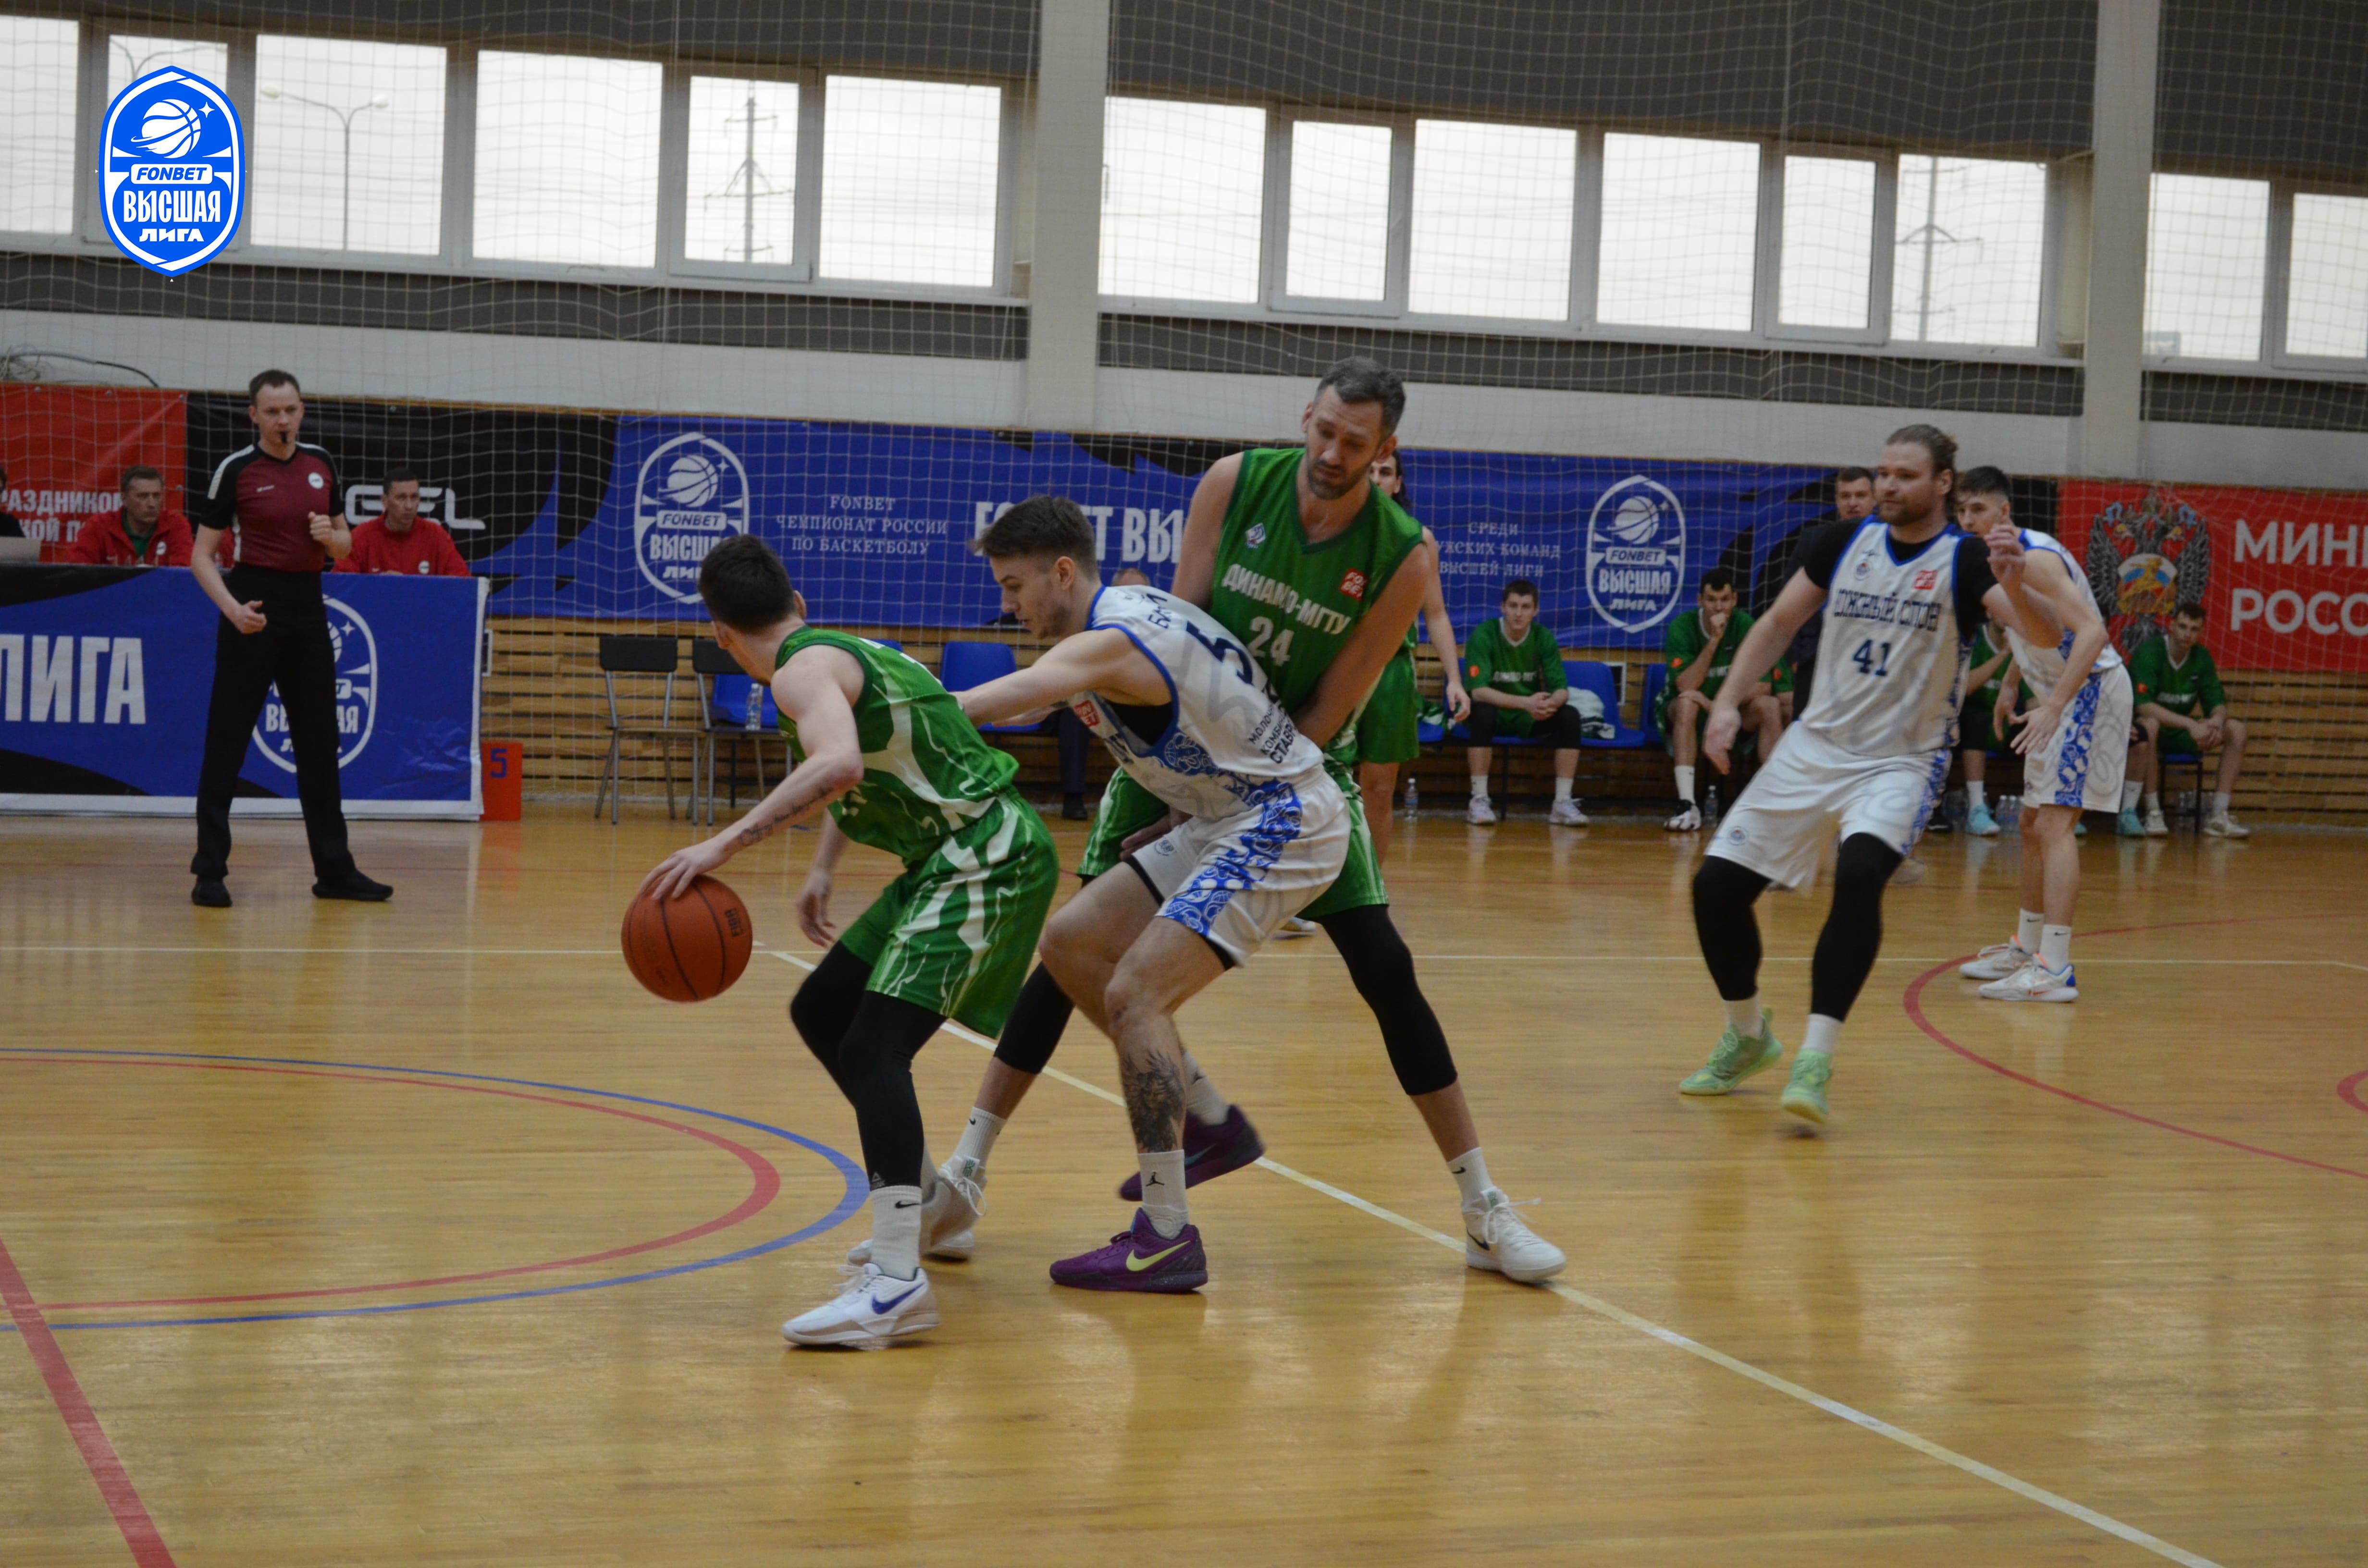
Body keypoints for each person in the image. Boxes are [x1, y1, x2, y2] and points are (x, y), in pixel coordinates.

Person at [922, 358, 1564, 1286]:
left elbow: (1327, 705)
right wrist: (1188, 796)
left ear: (1384, 450)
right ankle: (1027, 1160)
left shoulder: (1401, 553)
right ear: (1305, 417)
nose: (1333, 452)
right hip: (1201, 766)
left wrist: (1234, 777)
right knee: (1070, 949)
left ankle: (1479, 1206)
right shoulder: (1232, 484)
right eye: (1325, 431)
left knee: (1370, 977)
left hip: (1284, 784)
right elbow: (1184, 626)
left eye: (1356, 443)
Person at [643, 535, 1058, 1347]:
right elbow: (863, 760)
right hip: (948, 854)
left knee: (873, 1047)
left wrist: (720, 844)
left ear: (721, 636)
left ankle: (898, 1281)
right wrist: (824, 869)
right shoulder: (846, 649)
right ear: (797, 603)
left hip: (985, 854)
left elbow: (836, 763)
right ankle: (933, 1208)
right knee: (824, 1008)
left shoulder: (797, 674)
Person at [952, 496, 1349, 1290]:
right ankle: (1210, 1122)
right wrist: (1186, 803)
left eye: (1014, 585)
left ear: (1063, 573)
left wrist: (889, 708)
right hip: (1225, 812)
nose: (1007, 604)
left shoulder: (1110, 638)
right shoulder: (1126, 615)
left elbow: (1016, 694)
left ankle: (1166, 1233)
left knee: (1136, 994)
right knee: (1069, 943)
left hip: (1282, 819)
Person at [1678, 427, 2051, 1123]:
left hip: (1901, 759)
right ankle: (1748, 1034)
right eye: (1883, 473)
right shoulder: (1840, 542)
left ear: (1942, 483)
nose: (1887, 486)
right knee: (1715, 889)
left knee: (1856, 876)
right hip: (1816, 744)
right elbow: (1778, 624)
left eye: (1904, 475)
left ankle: (1815, 1060)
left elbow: (2043, 634)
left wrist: (2015, 585)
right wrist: (1726, 704)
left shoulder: (1966, 559)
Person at [188, 369, 389, 909]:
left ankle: (335, 871)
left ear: (302, 411)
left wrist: (333, 538)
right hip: (253, 605)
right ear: (254, 415)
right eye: (273, 411)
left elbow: (345, 545)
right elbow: (200, 556)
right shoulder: (236, 469)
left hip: (308, 608)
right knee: (227, 740)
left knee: (320, 744)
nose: (284, 419)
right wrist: (233, 610)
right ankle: (210, 872)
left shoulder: (322, 463)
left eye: (292, 409)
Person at [1953, 467, 2133, 1003]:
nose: (1968, 520)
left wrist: (2054, 706)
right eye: (1961, 511)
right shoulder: (1999, 562)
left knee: (2054, 825)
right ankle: (2026, 947)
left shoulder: (2036, 559)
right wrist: (2012, 682)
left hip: (2088, 690)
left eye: (1978, 510)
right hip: (2056, 694)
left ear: (2003, 513)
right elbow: (2034, 629)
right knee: (2031, 824)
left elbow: (2092, 633)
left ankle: (2054, 967)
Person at [1356, 451, 1468, 860]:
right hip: (1335, 666)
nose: (1377, 478)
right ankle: (1312, 883)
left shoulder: (1419, 538)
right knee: (1318, 786)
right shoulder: (1333, 527)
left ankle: (1370, 886)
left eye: (1386, 472)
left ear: (1398, 483)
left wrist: (1455, 680)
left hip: (1390, 673)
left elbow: (1435, 614)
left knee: (1379, 788)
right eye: (1370, 470)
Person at [1660, 566, 1782, 832]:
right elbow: (1686, 686)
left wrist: (1718, 705)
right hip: (1692, 713)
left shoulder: (1745, 625)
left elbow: (1763, 686)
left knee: (1770, 706)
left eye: (1725, 600)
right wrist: (1715, 640)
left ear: (1734, 600)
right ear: (1700, 601)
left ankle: (1772, 804)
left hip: (1729, 711)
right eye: (1712, 600)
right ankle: (1687, 804)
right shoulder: (1682, 626)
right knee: (1687, 703)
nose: (1718, 608)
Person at [1462, 579, 1588, 826]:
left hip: (1527, 716)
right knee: (1482, 713)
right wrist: (1525, 703)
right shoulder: (1484, 634)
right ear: (1503, 607)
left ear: (1535, 610)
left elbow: (1561, 689)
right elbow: (1478, 692)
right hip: (1496, 713)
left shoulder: (1543, 637)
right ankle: (1479, 800)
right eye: (1513, 606)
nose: (1519, 613)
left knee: (1570, 717)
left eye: (1526, 607)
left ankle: (1562, 803)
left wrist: (1550, 704)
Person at [1765, 467, 1875, 723]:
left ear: (1875, 498)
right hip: (1816, 655)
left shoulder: (1891, 541)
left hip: (1868, 657)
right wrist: (1798, 655)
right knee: (1806, 728)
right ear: (1836, 501)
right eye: (1846, 496)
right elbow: (1788, 601)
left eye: (1860, 495)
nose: (1853, 503)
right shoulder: (1814, 540)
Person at [2130, 605, 2249, 838]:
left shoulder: (2201, 657)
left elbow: (2217, 702)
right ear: (2171, 626)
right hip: (2151, 735)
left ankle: (2219, 815)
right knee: (2149, 725)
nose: (2187, 634)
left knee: (2237, 730)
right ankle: (2153, 812)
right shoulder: (2150, 652)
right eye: (2183, 627)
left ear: (2201, 632)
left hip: (2183, 733)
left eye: (2195, 629)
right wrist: (2190, 724)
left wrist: (2216, 722)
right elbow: (2144, 706)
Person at [337, 467, 470, 577]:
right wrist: (377, 585)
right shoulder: (361, 537)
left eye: (414, 497)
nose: (409, 506)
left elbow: (463, 583)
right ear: (385, 501)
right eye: (401, 498)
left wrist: (411, 588)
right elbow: (340, 585)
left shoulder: (436, 535)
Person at [1955, 612, 2019, 836]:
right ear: (1990, 610)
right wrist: (2004, 654)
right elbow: (1966, 687)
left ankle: (2050, 808)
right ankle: (1977, 809)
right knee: (1976, 722)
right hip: (1970, 727)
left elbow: (2032, 699)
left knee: (2039, 726)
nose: (2008, 613)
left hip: (2003, 726)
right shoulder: (1975, 638)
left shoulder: (2022, 644)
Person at [67, 466, 197, 566]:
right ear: (124, 498)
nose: (152, 504)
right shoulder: (99, 525)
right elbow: (79, 570)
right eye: (143, 496)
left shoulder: (176, 524)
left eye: (157, 496)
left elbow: (184, 574)